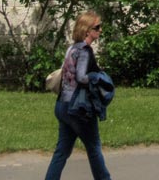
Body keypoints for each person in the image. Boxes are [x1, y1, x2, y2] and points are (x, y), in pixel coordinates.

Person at [44, 10, 112, 180]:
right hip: (78, 109)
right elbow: (81, 77)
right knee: (94, 148)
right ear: (87, 30)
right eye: (97, 27)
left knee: (62, 151)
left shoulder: (72, 48)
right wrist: (97, 76)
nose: (100, 30)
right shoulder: (84, 51)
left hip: (63, 106)